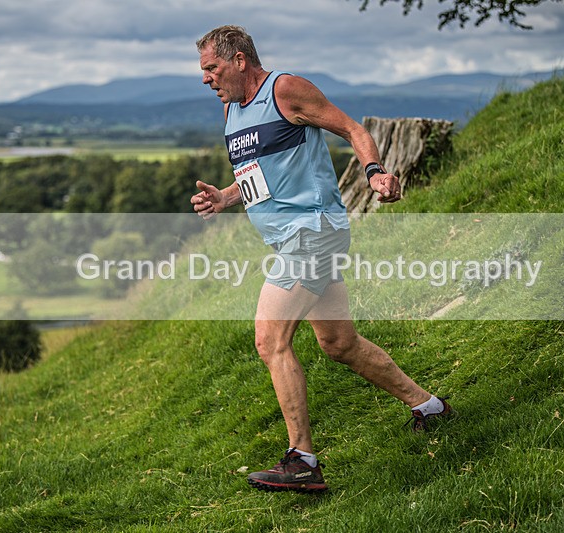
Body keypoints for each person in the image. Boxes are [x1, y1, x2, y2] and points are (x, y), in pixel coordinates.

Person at [191, 25, 452, 493]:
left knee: (269, 341)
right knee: (339, 344)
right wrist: (226, 196)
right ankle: (430, 407)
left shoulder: (286, 90)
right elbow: (258, 177)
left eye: (211, 67)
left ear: (239, 61)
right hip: (299, 239)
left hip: (311, 234)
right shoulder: (231, 109)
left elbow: (353, 129)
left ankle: (302, 461)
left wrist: (374, 173)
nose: (206, 78)